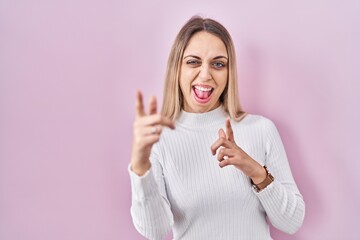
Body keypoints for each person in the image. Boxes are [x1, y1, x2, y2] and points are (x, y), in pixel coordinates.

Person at [128, 16, 305, 240]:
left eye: (218, 64)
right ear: (177, 68)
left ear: (229, 72)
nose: (205, 74)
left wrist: (255, 171)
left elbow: (292, 221)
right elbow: (155, 231)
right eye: (193, 62)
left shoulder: (261, 129)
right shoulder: (159, 139)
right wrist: (140, 167)